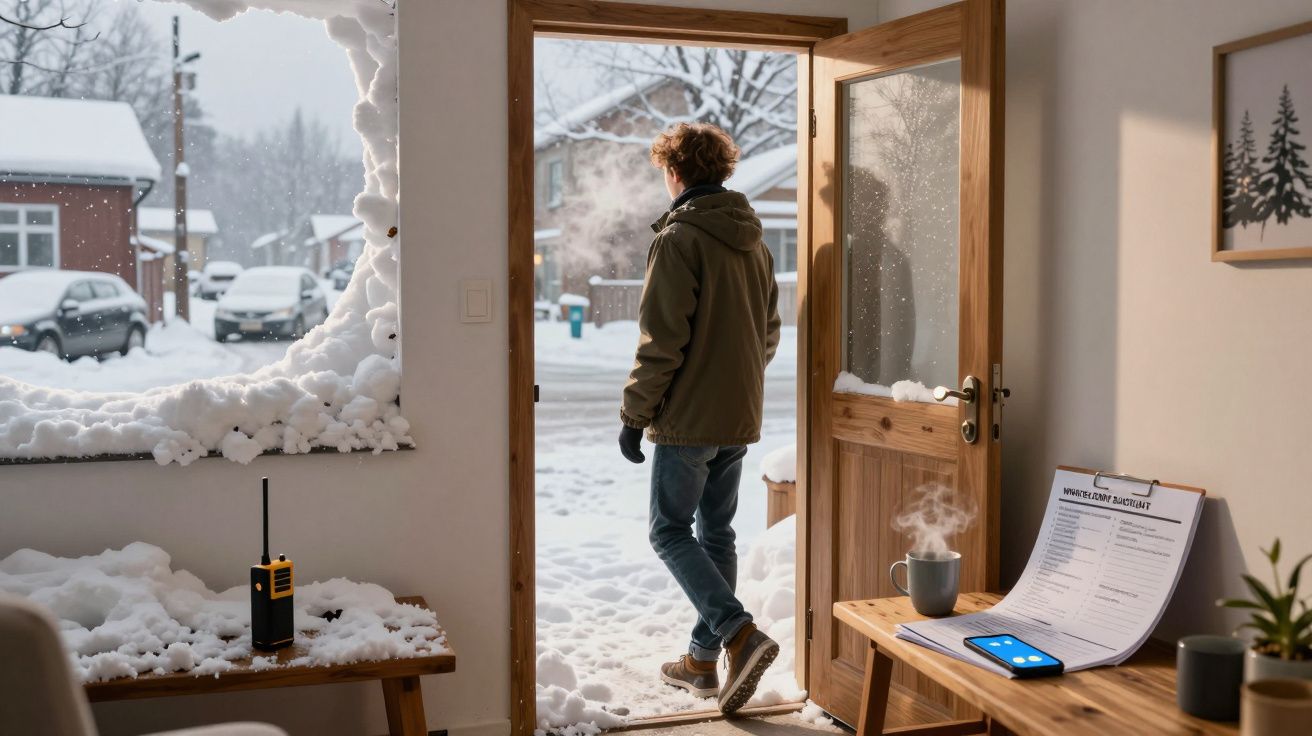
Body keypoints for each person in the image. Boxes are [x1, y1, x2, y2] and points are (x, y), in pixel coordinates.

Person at [618, 122, 781, 713]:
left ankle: (738, 633)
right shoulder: (755, 243)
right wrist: (733, 383)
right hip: (738, 415)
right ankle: (702, 662)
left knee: (668, 531)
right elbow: (767, 336)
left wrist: (635, 415)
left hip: (687, 420)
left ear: (676, 171)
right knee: (718, 535)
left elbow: (661, 341)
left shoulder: (679, 238)